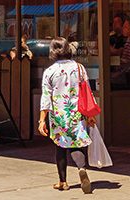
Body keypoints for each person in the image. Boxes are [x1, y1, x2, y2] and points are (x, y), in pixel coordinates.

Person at [39, 37, 94, 194]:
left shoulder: (49, 71)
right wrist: (89, 115)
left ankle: (63, 182)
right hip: (77, 113)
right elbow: (87, 92)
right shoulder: (79, 68)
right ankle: (81, 167)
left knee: (60, 147)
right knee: (76, 143)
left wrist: (42, 120)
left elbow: (45, 98)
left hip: (58, 115)